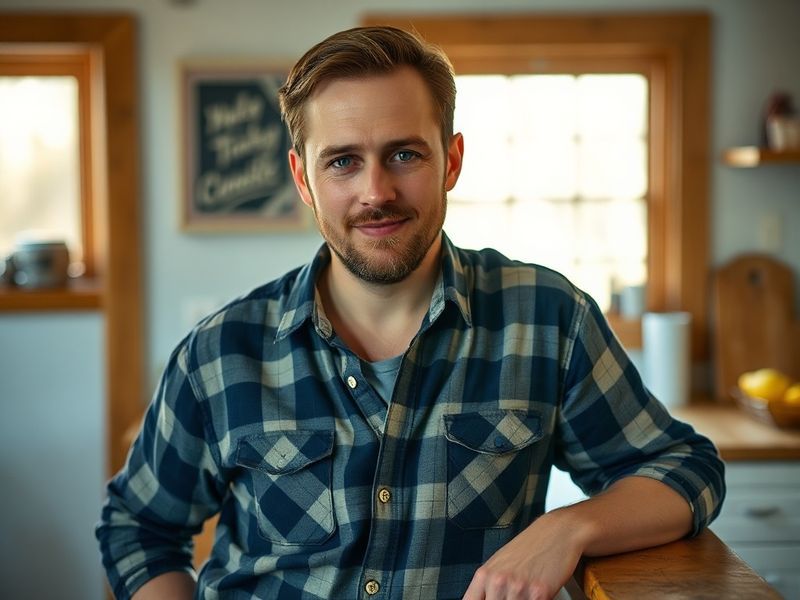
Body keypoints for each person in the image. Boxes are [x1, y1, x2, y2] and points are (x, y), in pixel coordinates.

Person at [96, 26, 725, 600]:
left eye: (405, 154)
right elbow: (139, 527)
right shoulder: (220, 353)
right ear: (302, 178)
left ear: (450, 160)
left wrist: (570, 527)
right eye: (342, 161)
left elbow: (684, 469)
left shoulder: (548, 319)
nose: (377, 192)